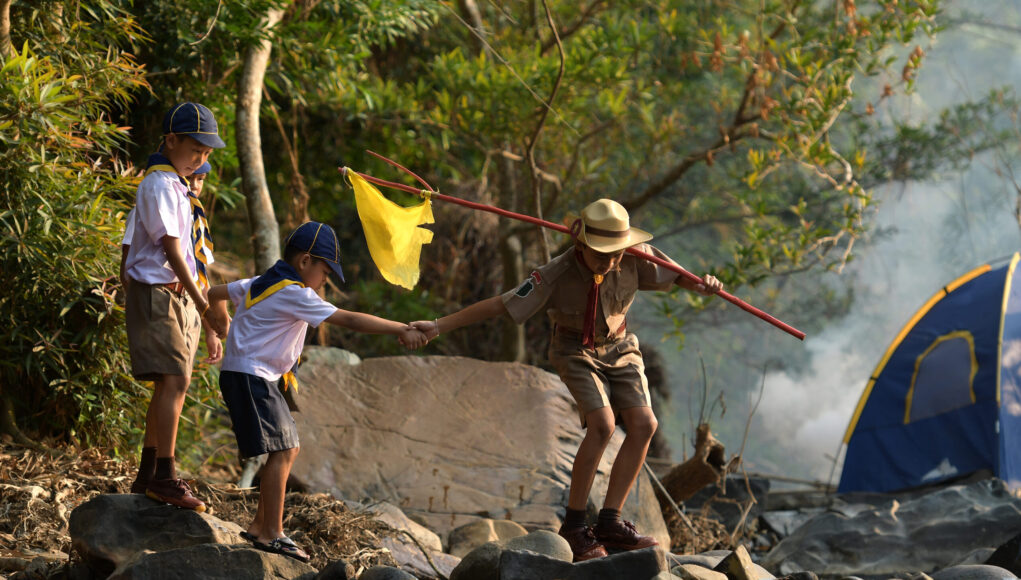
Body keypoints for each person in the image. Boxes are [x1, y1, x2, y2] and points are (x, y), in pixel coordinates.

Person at [411, 198, 722, 562]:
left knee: (644, 424)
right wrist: (437, 326)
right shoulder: (554, 274)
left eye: (615, 254)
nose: (608, 261)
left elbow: (682, 277)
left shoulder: (637, 255)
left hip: (621, 346)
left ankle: (610, 521)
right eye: (599, 254)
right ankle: (574, 527)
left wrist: (704, 286)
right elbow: (502, 304)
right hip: (575, 349)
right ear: (580, 244)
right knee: (603, 425)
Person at [208, 221, 428, 562]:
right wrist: (402, 328)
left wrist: (218, 320)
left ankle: (259, 525)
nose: (324, 281)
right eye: (325, 272)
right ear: (305, 261)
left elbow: (214, 293)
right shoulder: (294, 292)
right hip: (253, 377)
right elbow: (351, 320)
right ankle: (272, 534)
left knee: (285, 450)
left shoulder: (263, 283)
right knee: (284, 450)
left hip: (251, 376)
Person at [122, 102, 230, 512]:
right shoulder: (161, 185)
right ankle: (165, 477)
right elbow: (170, 248)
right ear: (171, 141)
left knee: (172, 383)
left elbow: (181, 250)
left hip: (175, 293)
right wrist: (206, 306)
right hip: (160, 292)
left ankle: (149, 473)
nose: (200, 161)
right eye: (194, 151)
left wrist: (203, 313)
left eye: (206, 156)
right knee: (174, 383)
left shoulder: (179, 188)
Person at [120, 162, 221, 365]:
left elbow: (202, 277)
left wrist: (211, 332)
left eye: (200, 179)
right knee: (170, 380)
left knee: (181, 382)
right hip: (160, 298)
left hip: (190, 304)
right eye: (189, 178)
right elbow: (126, 266)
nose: (194, 185)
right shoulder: (144, 211)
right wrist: (139, 304)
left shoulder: (198, 220)